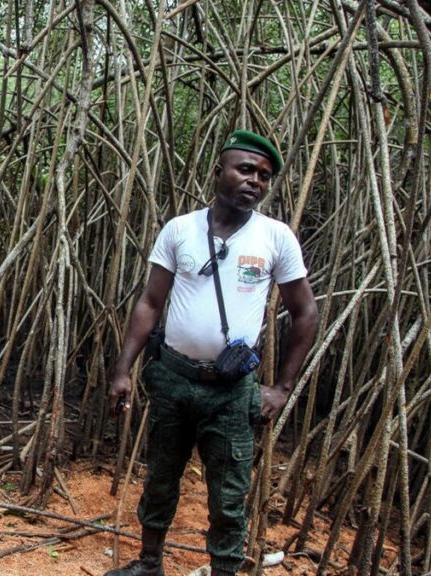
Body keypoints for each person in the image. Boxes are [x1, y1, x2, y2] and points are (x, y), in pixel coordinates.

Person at [105, 130, 318, 576]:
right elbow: (150, 302)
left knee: (229, 493)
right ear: (218, 171)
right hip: (173, 378)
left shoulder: (275, 238)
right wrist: (123, 370)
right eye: (245, 169)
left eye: (264, 176)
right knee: (160, 477)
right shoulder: (179, 229)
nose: (255, 181)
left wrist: (281, 387)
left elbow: (305, 312)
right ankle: (149, 564)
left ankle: (223, 570)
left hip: (231, 391)